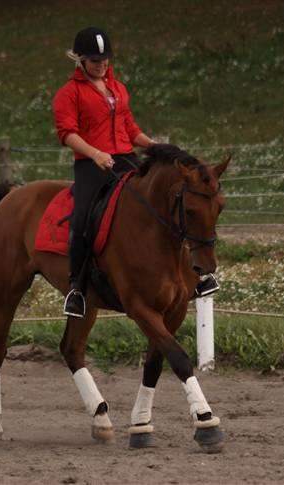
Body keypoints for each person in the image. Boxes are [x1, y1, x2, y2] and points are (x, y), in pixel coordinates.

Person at [52, 27, 218, 318]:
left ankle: (191, 277)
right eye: (94, 60)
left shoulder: (118, 88)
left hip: (126, 158)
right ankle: (77, 289)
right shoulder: (69, 93)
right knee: (82, 219)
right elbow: (67, 133)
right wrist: (95, 153)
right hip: (92, 165)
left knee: (168, 204)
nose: (101, 64)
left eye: (105, 59)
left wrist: (152, 144)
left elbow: (130, 128)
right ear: (79, 60)